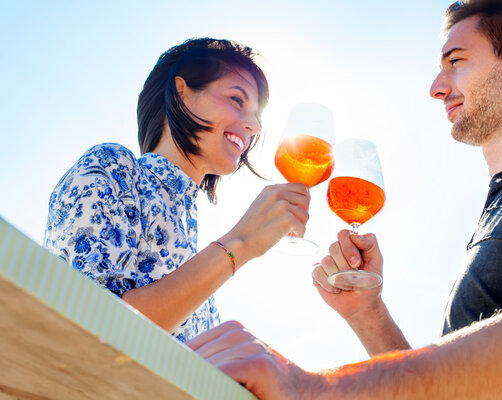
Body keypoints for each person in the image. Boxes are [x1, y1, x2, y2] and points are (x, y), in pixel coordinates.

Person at [187, 1, 502, 398]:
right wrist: (368, 314)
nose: (437, 88)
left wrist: (310, 388)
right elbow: (449, 391)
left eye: (455, 62)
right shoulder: (496, 214)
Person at [44, 38, 311, 342]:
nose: (253, 126)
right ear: (182, 93)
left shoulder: (195, 254)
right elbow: (90, 329)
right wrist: (242, 241)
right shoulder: (111, 166)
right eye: (237, 100)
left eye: (256, 115)